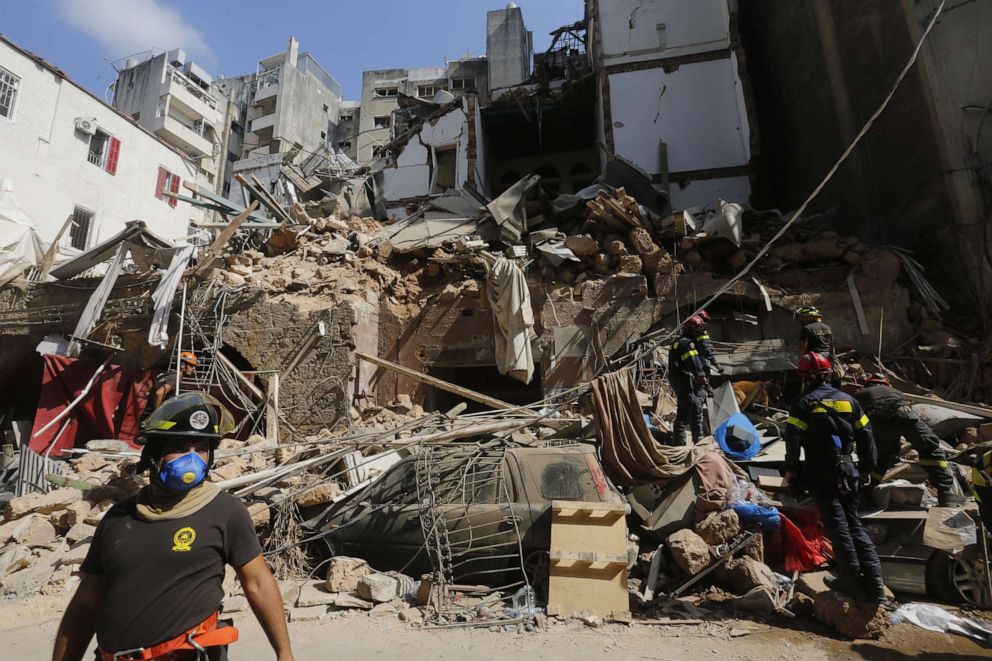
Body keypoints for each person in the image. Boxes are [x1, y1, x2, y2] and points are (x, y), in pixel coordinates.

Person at [53, 392, 294, 661]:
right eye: (180, 447)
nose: (192, 459)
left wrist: (284, 654)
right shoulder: (118, 518)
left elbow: (258, 583)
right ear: (154, 453)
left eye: (201, 448)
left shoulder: (224, 511)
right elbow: (86, 603)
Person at [784, 352, 887, 604]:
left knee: (837, 526)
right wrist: (867, 469)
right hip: (849, 470)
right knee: (854, 524)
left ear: (806, 378)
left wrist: (791, 471)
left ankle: (850, 579)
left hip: (822, 472)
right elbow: (867, 436)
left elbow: (793, 441)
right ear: (829, 375)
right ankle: (876, 587)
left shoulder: (802, 403)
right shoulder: (850, 401)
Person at [854, 373, 959, 506]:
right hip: (904, 413)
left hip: (878, 420)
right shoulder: (895, 391)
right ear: (886, 383)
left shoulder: (860, 395)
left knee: (882, 456)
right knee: (929, 448)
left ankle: (867, 490)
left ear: (868, 384)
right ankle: (946, 494)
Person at [668, 315, 709, 444]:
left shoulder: (678, 341)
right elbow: (694, 362)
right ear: (690, 329)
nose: (699, 333)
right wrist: (702, 377)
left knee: (692, 409)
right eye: (697, 330)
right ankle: (683, 443)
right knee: (686, 412)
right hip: (683, 380)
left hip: (679, 380)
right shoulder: (687, 344)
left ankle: (695, 441)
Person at [796, 306, 842, 384]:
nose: (802, 319)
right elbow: (832, 346)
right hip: (828, 358)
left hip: (814, 360)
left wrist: (800, 363)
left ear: (808, 317)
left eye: (803, 317)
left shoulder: (806, 328)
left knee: (812, 382)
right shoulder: (827, 327)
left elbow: (803, 347)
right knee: (828, 380)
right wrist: (834, 359)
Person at [145, 352, 199, 417]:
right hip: (152, 414)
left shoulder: (169, 374)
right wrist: (157, 414)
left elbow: (148, 391)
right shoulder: (176, 378)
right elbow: (159, 393)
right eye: (191, 365)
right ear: (182, 365)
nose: (193, 368)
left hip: (147, 410)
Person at [694, 311, 723, 379]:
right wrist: (716, 364)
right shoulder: (700, 332)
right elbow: (705, 348)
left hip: (700, 360)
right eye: (704, 320)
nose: (704, 323)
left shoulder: (699, 332)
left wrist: (710, 345)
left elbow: (705, 345)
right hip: (700, 361)